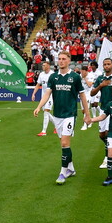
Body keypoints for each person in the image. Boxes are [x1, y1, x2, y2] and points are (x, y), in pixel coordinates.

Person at [34, 51, 91, 185]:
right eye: (59, 59)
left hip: (70, 115)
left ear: (69, 60)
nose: (61, 61)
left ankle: (62, 172)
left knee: (65, 143)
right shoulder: (53, 77)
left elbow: (82, 96)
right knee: (64, 145)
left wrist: (87, 114)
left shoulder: (75, 77)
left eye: (64, 59)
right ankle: (71, 168)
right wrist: (38, 107)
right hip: (57, 115)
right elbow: (47, 94)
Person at [90, 57, 112, 169]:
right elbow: (91, 93)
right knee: (102, 135)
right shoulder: (100, 78)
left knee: (109, 134)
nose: (106, 66)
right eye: (104, 64)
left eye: (108, 64)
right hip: (103, 109)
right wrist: (101, 86)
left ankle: (107, 158)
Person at [33, 61, 55, 136]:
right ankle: (57, 126)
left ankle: (44, 131)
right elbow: (38, 84)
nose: (42, 66)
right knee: (47, 113)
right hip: (43, 97)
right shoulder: (41, 74)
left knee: (46, 112)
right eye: (42, 65)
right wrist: (34, 94)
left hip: (51, 96)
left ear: (48, 66)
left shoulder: (52, 74)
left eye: (44, 65)